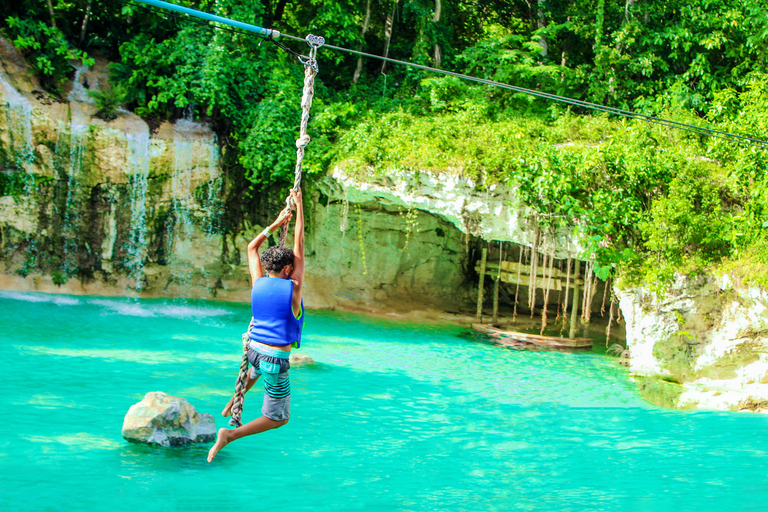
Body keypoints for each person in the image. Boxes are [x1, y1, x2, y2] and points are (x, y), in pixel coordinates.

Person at [208, 188, 305, 463]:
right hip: (274, 358)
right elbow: (299, 245)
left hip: (254, 351)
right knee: (278, 418)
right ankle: (229, 435)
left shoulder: (258, 282)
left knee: (256, 367)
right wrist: (300, 210)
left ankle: (233, 401)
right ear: (288, 269)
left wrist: (277, 222)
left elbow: (252, 247)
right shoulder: (293, 291)